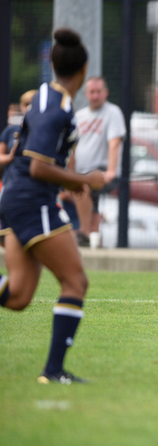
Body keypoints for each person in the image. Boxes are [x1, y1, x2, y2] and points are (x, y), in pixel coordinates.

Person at [0, 28, 105, 384]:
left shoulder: (43, 94)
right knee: (75, 281)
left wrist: (73, 179)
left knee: (17, 296)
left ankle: (54, 370)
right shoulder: (57, 108)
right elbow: (36, 166)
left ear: (52, 64)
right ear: (83, 70)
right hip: (31, 200)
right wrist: (85, 180)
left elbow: (21, 154)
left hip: (16, 196)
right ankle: (54, 371)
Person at [70, 76, 127, 246]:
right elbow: (72, 147)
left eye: (98, 92)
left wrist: (111, 170)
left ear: (106, 93)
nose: (95, 96)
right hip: (81, 169)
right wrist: (70, 173)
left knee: (83, 187)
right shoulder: (79, 116)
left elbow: (114, 142)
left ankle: (84, 233)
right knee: (91, 206)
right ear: (86, 94)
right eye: (91, 92)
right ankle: (92, 238)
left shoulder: (113, 112)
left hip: (100, 169)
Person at [0, 90, 38, 194]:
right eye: (27, 104)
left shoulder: (44, 130)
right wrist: (10, 156)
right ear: (21, 106)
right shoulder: (11, 130)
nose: (29, 108)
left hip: (36, 186)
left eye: (33, 104)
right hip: (11, 183)